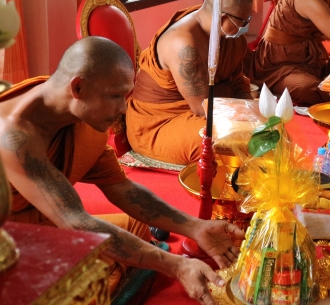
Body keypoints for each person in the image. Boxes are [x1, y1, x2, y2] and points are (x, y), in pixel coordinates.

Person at [0, 37, 244, 305]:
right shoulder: (13, 136)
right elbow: (76, 221)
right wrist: (176, 265)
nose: (123, 108)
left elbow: (123, 188)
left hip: (45, 220)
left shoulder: (76, 110)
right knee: (82, 281)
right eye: (116, 96)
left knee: (136, 228)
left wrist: (195, 227)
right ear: (78, 87)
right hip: (9, 240)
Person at [126, 0, 254, 165]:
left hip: (206, 111)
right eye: (244, 21)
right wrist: (242, 116)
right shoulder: (183, 43)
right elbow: (203, 107)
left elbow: (238, 80)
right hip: (161, 123)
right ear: (223, 18)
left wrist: (252, 113)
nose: (245, 27)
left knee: (263, 131)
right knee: (229, 141)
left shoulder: (228, 35)